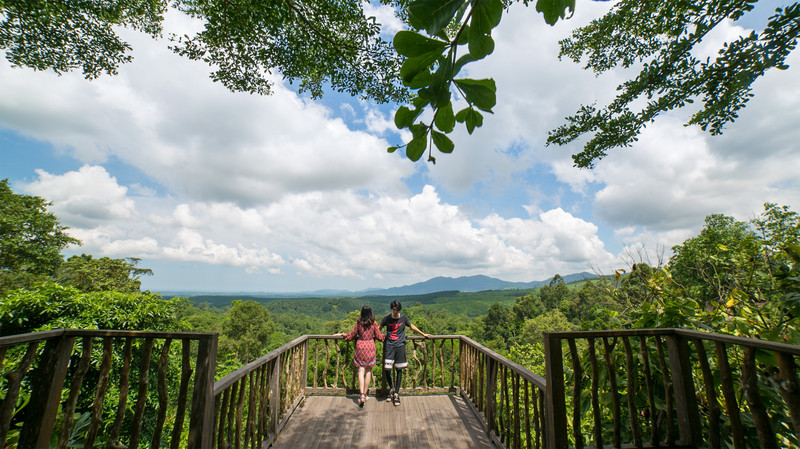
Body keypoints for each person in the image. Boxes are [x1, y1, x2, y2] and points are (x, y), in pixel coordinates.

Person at [379, 300, 430, 406]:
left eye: (396, 310)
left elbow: (412, 326)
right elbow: (379, 329)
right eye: (393, 309)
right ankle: (392, 389)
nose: (394, 311)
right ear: (391, 309)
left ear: (398, 310)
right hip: (389, 346)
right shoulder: (386, 318)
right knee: (387, 369)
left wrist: (423, 334)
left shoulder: (403, 318)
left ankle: (396, 393)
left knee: (399, 369)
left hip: (400, 346)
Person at [336, 306, 385, 406]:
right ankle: (365, 394)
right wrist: (386, 336)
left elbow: (352, 335)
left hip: (360, 347)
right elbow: (379, 337)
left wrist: (344, 335)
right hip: (370, 347)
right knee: (368, 371)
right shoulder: (374, 324)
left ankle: (361, 395)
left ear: (362, 313)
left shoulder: (359, 323)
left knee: (361, 370)